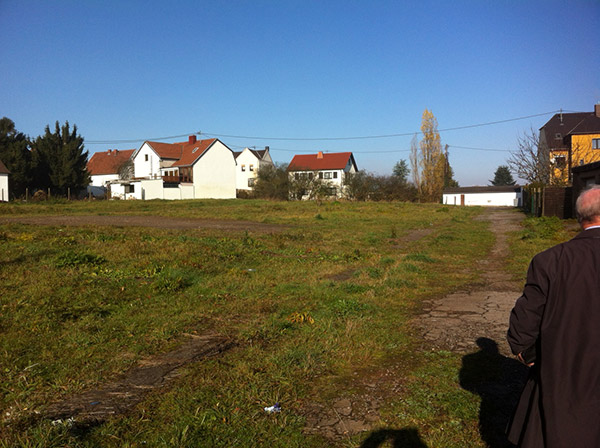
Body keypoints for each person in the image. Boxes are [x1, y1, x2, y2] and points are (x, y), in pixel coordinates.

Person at [507, 185, 600, 447]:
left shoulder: (550, 260)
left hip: (562, 373)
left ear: (580, 218)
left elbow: (526, 318)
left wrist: (527, 353)